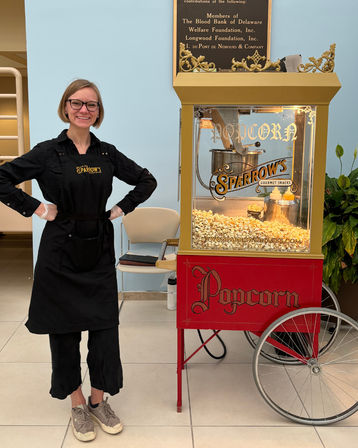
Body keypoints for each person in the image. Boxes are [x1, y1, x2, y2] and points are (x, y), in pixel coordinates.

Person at [0, 79, 157, 442]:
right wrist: (36, 207)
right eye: (77, 103)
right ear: (65, 107)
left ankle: (99, 401)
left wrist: (121, 208)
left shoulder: (107, 154)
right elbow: (3, 178)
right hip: (59, 252)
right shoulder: (47, 153)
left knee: (104, 329)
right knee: (64, 330)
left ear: (99, 112)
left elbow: (146, 180)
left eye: (92, 105)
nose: (84, 110)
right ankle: (76, 402)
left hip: (98, 248)